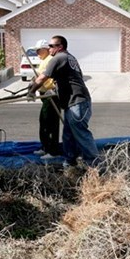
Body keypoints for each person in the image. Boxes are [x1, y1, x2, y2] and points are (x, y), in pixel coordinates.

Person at [31, 35, 99, 168]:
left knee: (81, 133)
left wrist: (32, 91)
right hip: (73, 103)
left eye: (51, 46)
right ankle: (70, 164)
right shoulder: (69, 57)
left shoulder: (59, 57)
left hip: (77, 102)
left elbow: (42, 78)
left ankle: (95, 166)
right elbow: (70, 79)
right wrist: (55, 91)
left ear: (60, 47)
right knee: (68, 135)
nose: (48, 48)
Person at [25, 39, 60, 159]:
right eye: (36, 51)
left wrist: (33, 90)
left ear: (46, 49)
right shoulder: (44, 60)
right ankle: (45, 147)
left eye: (39, 50)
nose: (37, 53)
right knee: (44, 122)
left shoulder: (50, 60)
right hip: (45, 96)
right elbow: (39, 76)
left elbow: (44, 78)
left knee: (50, 123)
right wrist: (32, 83)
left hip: (51, 96)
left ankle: (53, 151)